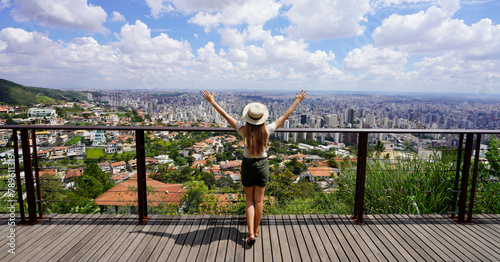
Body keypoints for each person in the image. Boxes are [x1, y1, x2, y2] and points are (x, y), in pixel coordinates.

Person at [202, 89, 307, 245]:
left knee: (249, 200)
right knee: (259, 200)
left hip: (247, 165)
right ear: (261, 118)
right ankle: (256, 229)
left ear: (248, 118)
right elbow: (285, 116)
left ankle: (250, 233)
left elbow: (225, 115)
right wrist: (297, 101)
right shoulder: (267, 130)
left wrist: (212, 101)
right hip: (262, 165)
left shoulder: (242, 130)